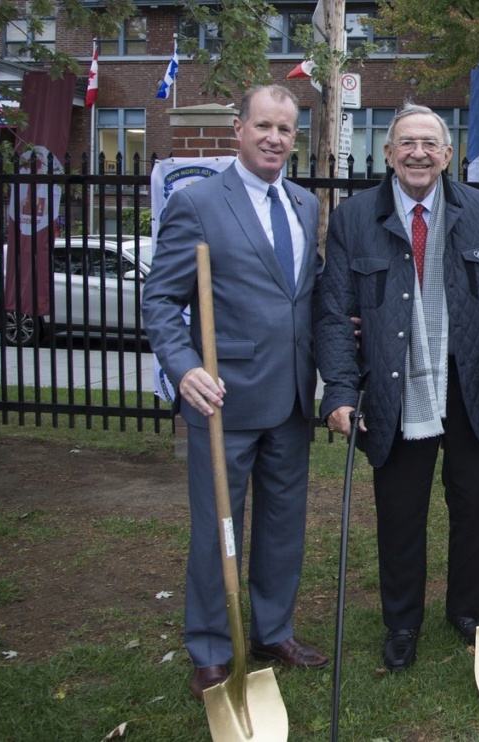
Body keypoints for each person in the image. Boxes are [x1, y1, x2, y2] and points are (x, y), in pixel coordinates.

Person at [314, 103, 479, 671]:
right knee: (400, 513)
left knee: (471, 506)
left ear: (447, 154)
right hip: (396, 387)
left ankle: (464, 611)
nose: (418, 153)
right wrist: (339, 390)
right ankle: (402, 622)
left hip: (469, 386)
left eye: (429, 144)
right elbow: (335, 312)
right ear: (389, 154)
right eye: (406, 143)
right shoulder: (355, 218)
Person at [142, 83, 329, 703]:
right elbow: (163, 300)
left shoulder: (304, 203)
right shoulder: (197, 203)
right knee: (218, 527)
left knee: (283, 528)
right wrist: (183, 366)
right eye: (264, 127)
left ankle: (274, 630)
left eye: (286, 130)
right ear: (238, 128)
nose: (275, 138)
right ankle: (212, 647)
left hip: (293, 400)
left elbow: (304, 295)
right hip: (225, 399)